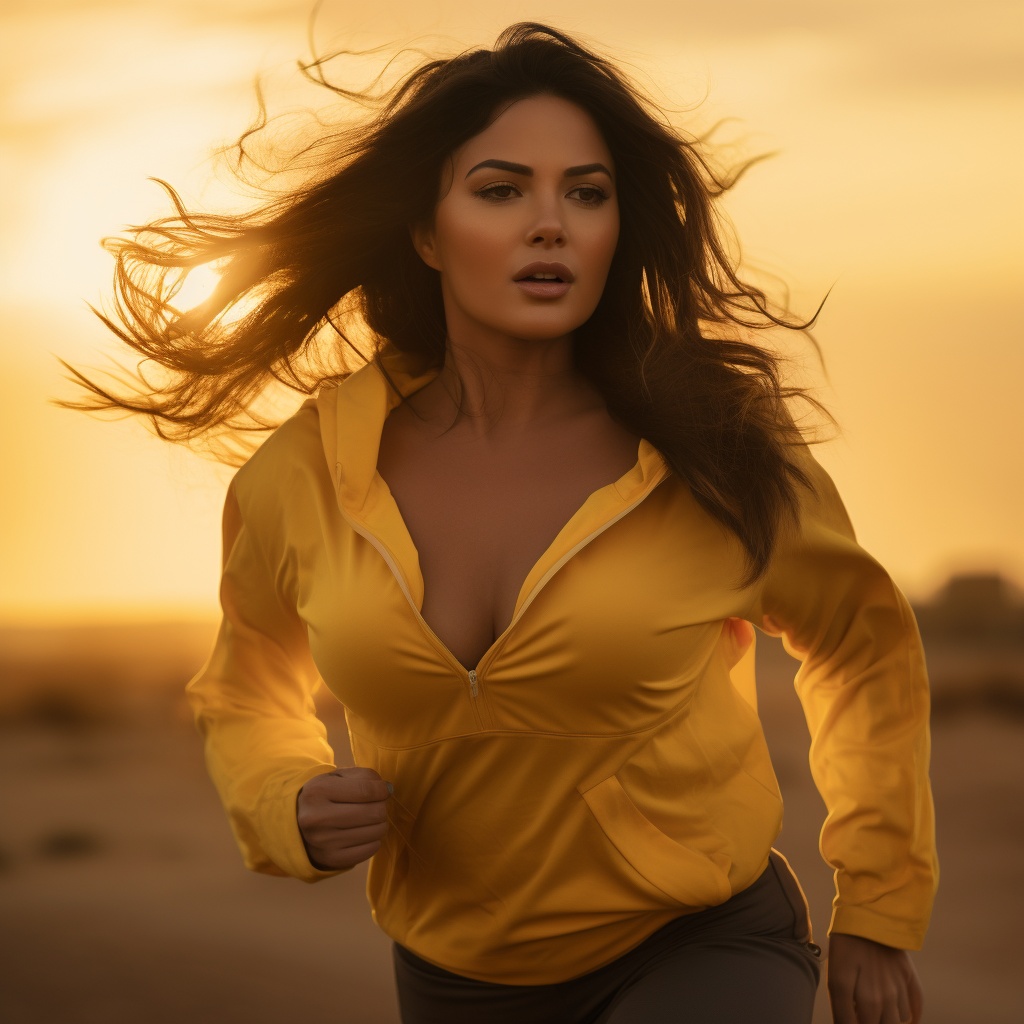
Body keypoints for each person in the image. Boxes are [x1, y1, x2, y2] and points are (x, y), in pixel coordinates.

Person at [70, 23, 937, 1024]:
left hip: (700, 940)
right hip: (453, 975)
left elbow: (861, 641)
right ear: (427, 234)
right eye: (499, 190)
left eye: (586, 192)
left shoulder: (715, 446)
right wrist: (284, 798)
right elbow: (247, 682)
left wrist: (876, 901)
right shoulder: (301, 475)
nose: (550, 224)